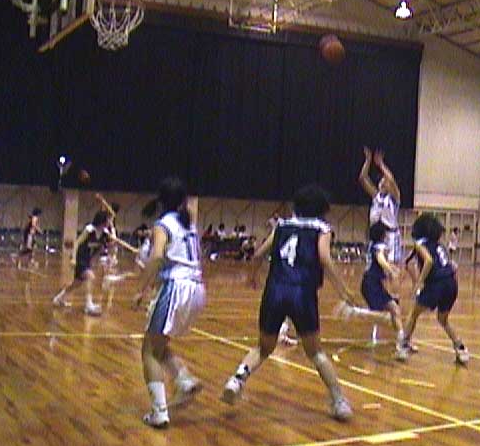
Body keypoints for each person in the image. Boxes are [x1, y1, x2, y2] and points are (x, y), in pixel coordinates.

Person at [221, 185, 355, 421]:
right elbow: (324, 257)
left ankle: (237, 379)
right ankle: (339, 400)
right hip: (302, 292)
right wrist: (343, 290)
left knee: (263, 348)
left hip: (274, 290)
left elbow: (258, 254)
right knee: (315, 352)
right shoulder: (322, 229)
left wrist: (252, 277)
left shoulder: (282, 226)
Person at [134, 177, 205, 428]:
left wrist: (141, 289)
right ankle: (183, 380)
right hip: (196, 288)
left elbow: (156, 257)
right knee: (159, 345)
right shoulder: (189, 224)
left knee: (148, 351)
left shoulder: (163, 225)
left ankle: (159, 412)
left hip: (177, 288)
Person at [335, 222, 413, 361]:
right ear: (382, 235)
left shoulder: (372, 245)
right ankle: (354, 311)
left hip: (372, 283)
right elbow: (381, 260)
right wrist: (391, 271)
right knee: (389, 313)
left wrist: (392, 268)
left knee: (394, 311)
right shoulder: (379, 246)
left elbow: (380, 262)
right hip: (372, 284)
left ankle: (402, 343)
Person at [399, 213, 468, 364]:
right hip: (451, 283)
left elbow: (429, 261)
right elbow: (450, 266)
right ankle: (460, 347)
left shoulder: (420, 244)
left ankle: (403, 346)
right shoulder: (439, 246)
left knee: (413, 314)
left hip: (437, 283)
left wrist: (419, 283)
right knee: (443, 319)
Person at [52, 211, 113, 316]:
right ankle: (88, 305)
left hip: (87, 259)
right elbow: (76, 243)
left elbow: (100, 248)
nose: (109, 222)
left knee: (77, 283)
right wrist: (73, 258)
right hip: (80, 257)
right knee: (90, 277)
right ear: (102, 220)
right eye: (108, 220)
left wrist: (94, 260)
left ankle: (58, 298)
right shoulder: (89, 230)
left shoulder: (105, 234)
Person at [358, 147, 402, 263]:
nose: (383, 182)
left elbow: (391, 179)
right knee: (373, 266)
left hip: (390, 235)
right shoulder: (375, 195)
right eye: (381, 181)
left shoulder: (394, 197)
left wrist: (381, 164)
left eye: (385, 181)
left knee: (392, 266)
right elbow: (363, 178)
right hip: (376, 236)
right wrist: (368, 161)